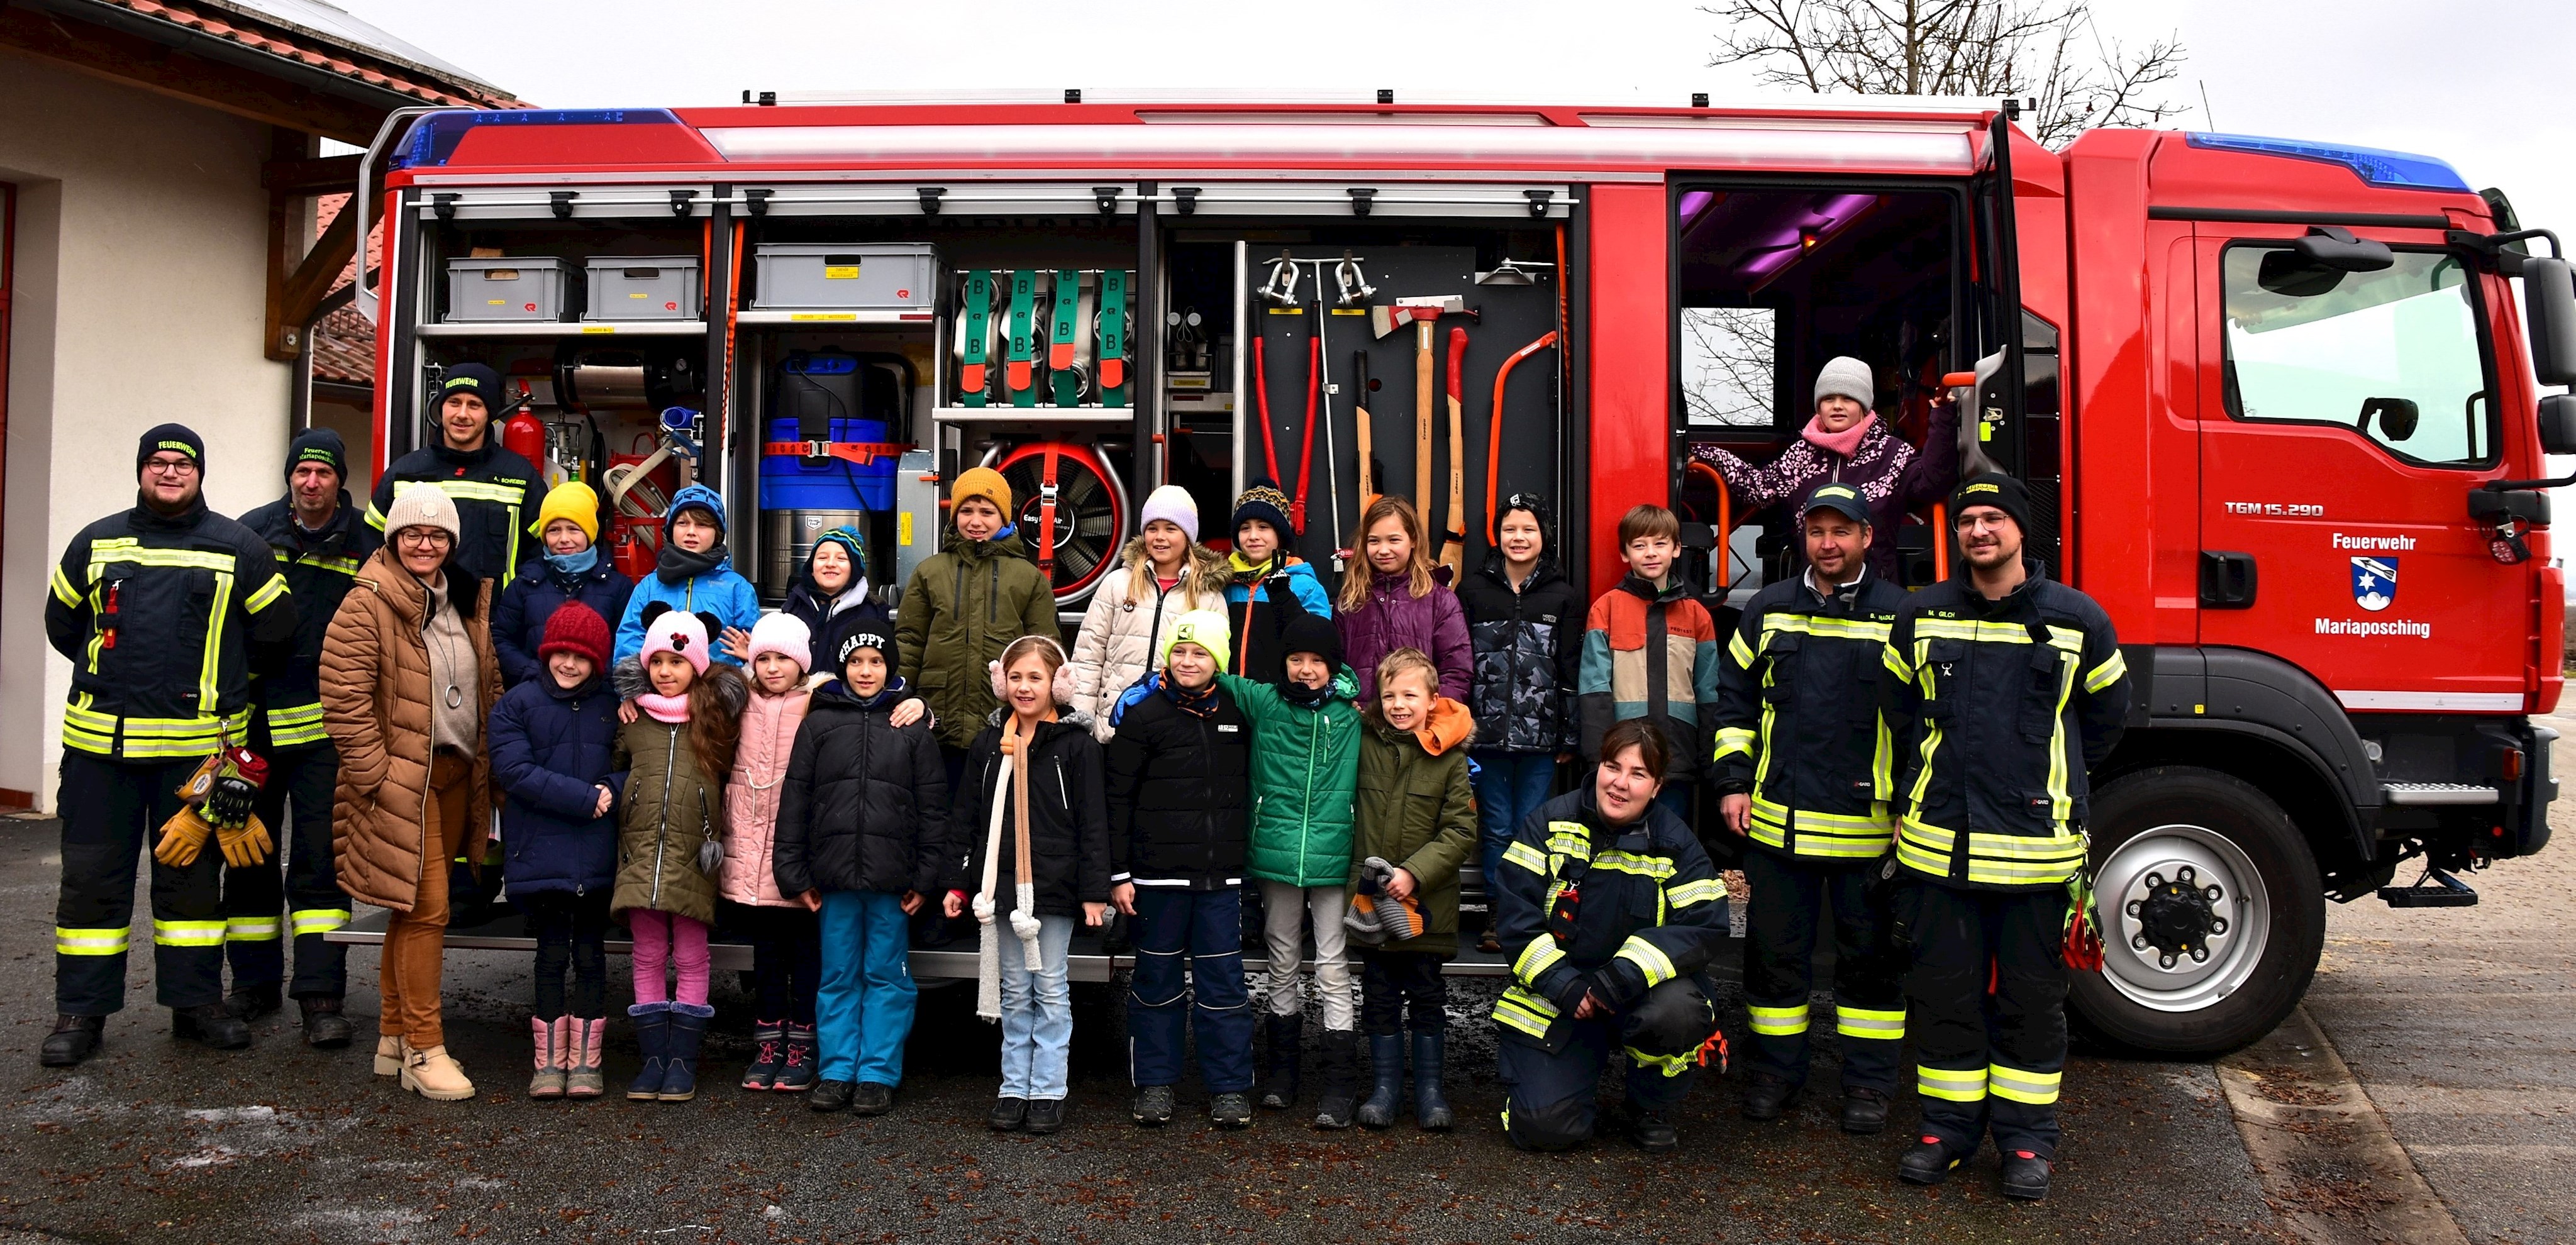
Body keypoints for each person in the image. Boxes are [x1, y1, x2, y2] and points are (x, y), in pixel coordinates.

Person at [1882, 473, 2129, 1201]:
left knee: (2030, 1006)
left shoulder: (2079, 620)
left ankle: (2025, 1143)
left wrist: (2046, 781)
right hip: (1937, 857)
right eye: (1967, 521)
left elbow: (2106, 722)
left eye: (1993, 519)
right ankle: (1945, 1133)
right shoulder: (1921, 615)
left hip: (2037, 857)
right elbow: (1898, 713)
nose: (1979, 531)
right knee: (1946, 999)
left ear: (2022, 531)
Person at [39, 424, 298, 1066]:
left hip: (199, 757)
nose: (170, 472)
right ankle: (81, 1013)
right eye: (158, 462)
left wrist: (224, 688)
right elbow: (62, 623)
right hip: (102, 753)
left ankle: (196, 1005)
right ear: (140, 471)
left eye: (183, 463)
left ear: (200, 473)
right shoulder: (95, 541)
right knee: (92, 884)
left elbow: (277, 633)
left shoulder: (240, 547)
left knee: (192, 889)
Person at [1711, 482, 1911, 1133]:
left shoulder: (1901, 616)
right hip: (1779, 827)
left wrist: (1910, 803)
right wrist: (1733, 783)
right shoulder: (1766, 609)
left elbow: (1921, 725)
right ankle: (1773, 1076)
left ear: (1866, 538)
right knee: (1773, 962)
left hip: (1869, 835)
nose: (1828, 543)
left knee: (1870, 970)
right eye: (1817, 531)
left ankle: (1869, 1087)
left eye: (1841, 531)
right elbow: (1734, 703)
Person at [321, 484, 503, 1101]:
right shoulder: (365, 604)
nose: (425, 544)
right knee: (429, 912)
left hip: (455, 779)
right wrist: (378, 777)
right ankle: (426, 1050)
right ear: (393, 539)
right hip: (404, 784)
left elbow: (489, 685)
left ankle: (392, 1038)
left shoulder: (462, 605)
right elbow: (344, 702)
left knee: (408, 910)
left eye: (436, 535)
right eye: (412, 534)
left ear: (451, 543)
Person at [1490, 719, 1729, 1153]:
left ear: (1657, 787)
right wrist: (1563, 984)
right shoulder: (1550, 823)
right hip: (1562, 996)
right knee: (1545, 1130)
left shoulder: (1675, 843)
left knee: (1677, 1012)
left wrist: (1617, 981)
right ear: (1597, 767)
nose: (1620, 784)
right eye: (1612, 767)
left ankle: (1649, 1105)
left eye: (1638, 774)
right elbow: (1514, 916)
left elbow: (1705, 925)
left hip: (1634, 992)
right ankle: (1562, 1087)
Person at [227, 426, 377, 1045]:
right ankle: (254, 987)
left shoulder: (367, 542)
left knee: (321, 863)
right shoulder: (250, 533)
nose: (311, 482)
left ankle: (320, 996)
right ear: (289, 478)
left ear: (340, 480)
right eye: (301, 473)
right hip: (252, 727)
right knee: (248, 853)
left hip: (325, 732)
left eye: (323, 473)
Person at [774, 624, 951, 1116]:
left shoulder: (912, 727)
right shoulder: (820, 723)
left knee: (886, 977)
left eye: (876, 661)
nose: (866, 671)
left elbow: (934, 809)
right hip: (832, 880)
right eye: (856, 662)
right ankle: (835, 1069)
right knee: (837, 975)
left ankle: (876, 1071)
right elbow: (796, 800)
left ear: (889, 666)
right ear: (842, 667)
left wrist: (925, 878)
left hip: (892, 882)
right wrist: (794, 872)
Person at [1105, 610, 1256, 1129]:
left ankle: (1230, 1088)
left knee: (1224, 987)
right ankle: (1155, 1084)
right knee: (1156, 984)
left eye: (1201, 653)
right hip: (1156, 878)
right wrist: (1119, 873)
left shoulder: (1238, 712)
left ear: (1219, 660)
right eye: (1180, 651)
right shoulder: (1144, 717)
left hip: (1220, 879)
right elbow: (1117, 799)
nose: (1189, 661)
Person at [1218, 613, 1363, 1126]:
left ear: (1333, 666)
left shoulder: (1351, 716)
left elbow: (1412, 718)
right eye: (1296, 660)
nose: (1305, 670)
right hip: (1276, 853)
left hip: (1332, 855)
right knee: (1281, 959)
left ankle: (1340, 1085)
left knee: (1331, 966)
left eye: (1316, 662)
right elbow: (1208, 674)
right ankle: (1282, 1075)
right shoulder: (1265, 702)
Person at [610, 606, 749, 1105]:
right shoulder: (633, 719)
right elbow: (616, 772)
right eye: (659, 662)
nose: (667, 672)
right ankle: (653, 1059)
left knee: (691, 957)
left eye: (679, 662)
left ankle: (683, 1061)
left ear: (698, 667)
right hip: (641, 855)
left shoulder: (715, 720)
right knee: (647, 955)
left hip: (695, 857)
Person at [486, 601, 622, 1101]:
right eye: (560, 653)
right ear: (545, 654)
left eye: (581, 657)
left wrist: (614, 786)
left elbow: (638, 758)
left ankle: (587, 1060)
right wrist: (588, 799)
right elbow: (514, 772)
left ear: (597, 662)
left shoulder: (614, 704)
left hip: (596, 856)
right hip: (541, 855)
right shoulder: (516, 705)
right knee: (548, 957)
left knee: (590, 955)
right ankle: (547, 1062)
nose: (569, 664)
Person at [1346, 648, 1477, 1132]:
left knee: (1427, 996)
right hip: (1373, 904)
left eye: (1409, 695)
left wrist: (1416, 873)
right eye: (1389, 695)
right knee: (1378, 995)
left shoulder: (1451, 760)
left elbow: (1461, 830)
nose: (1399, 705)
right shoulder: (1362, 742)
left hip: (1426, 904)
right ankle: (1384, 1090)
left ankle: (1430, 1091)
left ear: (1432, 699)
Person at [1690, 355, 1959, 583]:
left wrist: (1943, 416)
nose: (1838, 406)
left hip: (1876, 590)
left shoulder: (1891, 452)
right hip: (1812, 589)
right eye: (1829, 398)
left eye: (1848, 399)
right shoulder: (1801, 453)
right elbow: (1759, 489)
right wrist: (1705, 453)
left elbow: (1932, 484)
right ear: (1819, 406)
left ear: (1865, 407)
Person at [1457, 492, 1582, 953]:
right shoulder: (1473, 591)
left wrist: (1570, 732)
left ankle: (1526, 915)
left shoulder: (1562, 595)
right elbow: (1462, 664)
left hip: (1541, 739)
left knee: (1532, 826)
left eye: (1528, 529)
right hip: (1485, 738)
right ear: (1498, 535)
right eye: (1510, 528)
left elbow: (1570, 666)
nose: (1519, 537)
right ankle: (1496, 914)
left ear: (1543, 536)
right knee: (1496, 828)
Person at [896, 466, 1060, 786]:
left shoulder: (1028, 578)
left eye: (987, 512)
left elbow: (1046, 648)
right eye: (966, 511)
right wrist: (901, 695)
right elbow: (909, 640)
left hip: (1004, 721)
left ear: (1004, 518)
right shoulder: (929, 572)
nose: (975, 521)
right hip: (936, 719)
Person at [724, 613, 821, 1094]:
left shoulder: (817, 702)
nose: (773, 667)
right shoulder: (737, 701)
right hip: (749, 845)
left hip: (797, 849)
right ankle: (768, 1043)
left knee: (805, 954)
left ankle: (802, 1042)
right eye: (763, 658)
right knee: (765, 955)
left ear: (801, 663)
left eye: (783, 658)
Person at [1578, 504, 1722, 819]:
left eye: (1660, 544)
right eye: (1640, 545)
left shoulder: (1697, 615)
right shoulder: (1606, 610)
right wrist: (1597, 757)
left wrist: (1710, 758)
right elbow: (1594, 689)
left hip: (1678, 756)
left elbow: (1709, 691)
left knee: (1671, 843)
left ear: (1676, 549)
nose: (1651, 553)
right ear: (1625, 554)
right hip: (1623, 762)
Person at [1069, 484, 1230, 739]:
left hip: (1174, 730)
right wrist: (1081, 718)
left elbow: (1219, 670)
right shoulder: (1117, 584)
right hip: (1113, 725)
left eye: (1171, 529)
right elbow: (1089, 655)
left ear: (1187, 536)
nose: (1160, 537)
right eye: (1152, 528)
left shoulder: (1207, 596)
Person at [367, 362, 545, 585]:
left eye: (474, 405)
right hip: (418, 616)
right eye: (454, 402)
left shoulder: (521, 478)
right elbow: (372, 550)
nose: (462, 414)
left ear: (489, 413)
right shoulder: (403, 474)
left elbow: (543, 554)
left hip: (495, 617)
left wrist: (514, 608)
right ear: (441, 407)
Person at [491, 480, 633, 688]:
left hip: (598, 699)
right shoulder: (525, 584)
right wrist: (533, 673)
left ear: (591, 532)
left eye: (574, 529)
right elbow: (502, 638)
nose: (564, 539)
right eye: (554, 530)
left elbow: (628, 644)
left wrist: (598, 679)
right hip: (536, 694)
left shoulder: (617, 587)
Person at [1336, 495, 1470, 705]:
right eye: (1374, 541)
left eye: (1394, 540)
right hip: (1360, 727)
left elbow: (1457, 671)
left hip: (1418, 729)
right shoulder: (1351, 600)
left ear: (1413, 540)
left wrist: (1429, 712)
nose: (1383, 550)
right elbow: (1335, 666)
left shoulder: (1439, 601)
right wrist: (1344, 703)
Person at [613, 484, 760, 668]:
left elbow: (754, 649)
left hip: (715, 694)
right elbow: (630, 643)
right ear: (671, 529)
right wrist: (638, 691)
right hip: (660, 690)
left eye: (702, 524)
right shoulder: (649, 586)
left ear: (718, 534)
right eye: (683, 523)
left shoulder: (737, 589)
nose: (691, 531)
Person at [1220, 480, 1332, 684]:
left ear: (1279, 534)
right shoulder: (1226, 583)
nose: (1253, 536)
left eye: (1263, 527)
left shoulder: (1304, 585)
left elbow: (1320, 644)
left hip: (1279, 701)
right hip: (1231, 694)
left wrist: (1284, 599)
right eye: (1245, 528)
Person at [779, 524, 889, 681]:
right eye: (822, 558)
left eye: (842, 558)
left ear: (855, 569)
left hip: (848, 702)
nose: (830, 564)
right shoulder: (794, 607)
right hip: (799, 700)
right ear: (811, 567)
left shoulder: (872, 613)